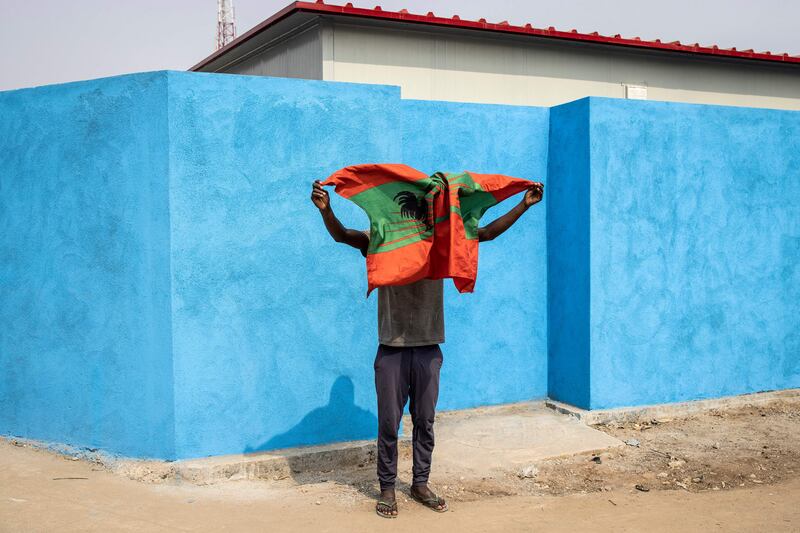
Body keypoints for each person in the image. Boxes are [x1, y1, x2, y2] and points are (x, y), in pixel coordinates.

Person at [310, 178, 544, 518]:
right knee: (389, 424)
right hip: (391, 347)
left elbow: (488, 233)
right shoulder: (384, 239)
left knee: (425, 421)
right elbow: (343, 235)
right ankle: (387, 489)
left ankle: (420, 483)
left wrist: (523, 204)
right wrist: (327, 210)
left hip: (428, 347)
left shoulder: (443, 239)